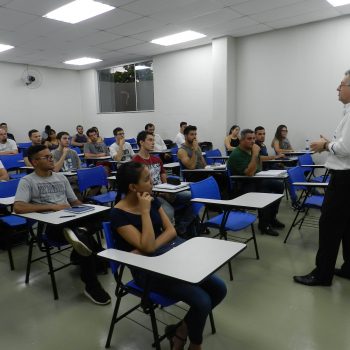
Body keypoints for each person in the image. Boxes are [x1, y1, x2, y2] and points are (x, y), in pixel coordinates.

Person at [111, 162, 227, 350]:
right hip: (147, 271)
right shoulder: (118, 214)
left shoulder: (151, 199)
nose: (152, 182)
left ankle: (180, 331)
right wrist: (145, 213)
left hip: (171, 256)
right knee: (202, 301)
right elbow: (149, 246)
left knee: (219, 289)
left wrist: (148, 247)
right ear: (133, 187)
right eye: (147, 179)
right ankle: (195, 344)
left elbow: (171, 231)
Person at [13, 145, 110, 304]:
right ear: (34, 162)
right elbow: (18, 207)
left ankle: (81, 234)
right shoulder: (27, 181)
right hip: (52, 226)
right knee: (81, 236)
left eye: (51, 156)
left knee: (107, 213)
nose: (52, 159)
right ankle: (91, 285)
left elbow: (74, 202)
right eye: (47, 157)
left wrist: (89, 211)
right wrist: (52, 206)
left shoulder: (60, 177)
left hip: (71, 218)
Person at [293, 70, 350, 286]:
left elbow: (345, 148)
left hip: (344, 179)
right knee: (347, 226)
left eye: (342, 84)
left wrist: (325, 145)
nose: (338, 88)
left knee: (329, 226)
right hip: (347, 177)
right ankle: (348, 267)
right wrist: (330, 144)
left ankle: (322, 274)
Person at [133, 131, 195, 236]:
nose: (153, 143)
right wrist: (161, 193)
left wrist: (168, 191)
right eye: (150, 140)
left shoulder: (156, 159)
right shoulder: (136, 161)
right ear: (141, 142)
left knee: (193, 197)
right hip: (151, 195)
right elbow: (139, 186)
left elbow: (163, 176)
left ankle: (180, 227)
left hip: (163, 192)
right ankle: (170, 234)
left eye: (153, 140)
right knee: (169, 212)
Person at [227, 129, 285, 236]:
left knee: (279, 185)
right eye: (249, 139)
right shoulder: (237, 154)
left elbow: (259, 162)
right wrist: (255, 154)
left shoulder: (249, 150)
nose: (253, 141)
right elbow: (249, 173)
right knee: (265, 191)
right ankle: (264, 225)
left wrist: (267, 158)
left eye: (253, 138)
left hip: (255, 180)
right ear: (242, 140)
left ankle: (272, 218)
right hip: (243, 186)